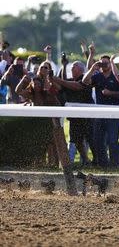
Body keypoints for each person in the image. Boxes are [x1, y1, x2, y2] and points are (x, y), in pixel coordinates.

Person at [15, 60, 77, 195]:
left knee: (52, 143)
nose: (36, 85)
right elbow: (18, 90)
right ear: (32, 84)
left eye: (38, 83)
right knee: (41, 144)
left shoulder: (47, 92)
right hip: (37, 123)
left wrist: (49, 82)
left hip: (51, 121)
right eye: (34, 83)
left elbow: (56, 97)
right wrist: (24, 80)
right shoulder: (31, 93)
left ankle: (55, 164)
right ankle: (41, 163)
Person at [82, 54, 119, 167]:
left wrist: (110, 93)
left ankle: (116, 164)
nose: (104, 65)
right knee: (98, 140)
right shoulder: (97, 76)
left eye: (106, 63)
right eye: (102, 63)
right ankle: (103, 164)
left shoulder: (116, 76)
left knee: (112, 141)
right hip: (99, 113)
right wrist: (92, 69)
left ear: (110, 64)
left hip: (113, 113)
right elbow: (85, 81)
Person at [52, 60, 94, 165]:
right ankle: (85, 159)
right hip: (75, 116)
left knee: (90, 139)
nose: (72, 68)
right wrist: (52, 77)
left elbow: (73, 85)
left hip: (87, 116)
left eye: (74, 67)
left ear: (80, 69)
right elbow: (63, 84)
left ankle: (97, 160)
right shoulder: (71, 80)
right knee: (77, 140)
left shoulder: (85, 79)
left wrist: (56, 79)